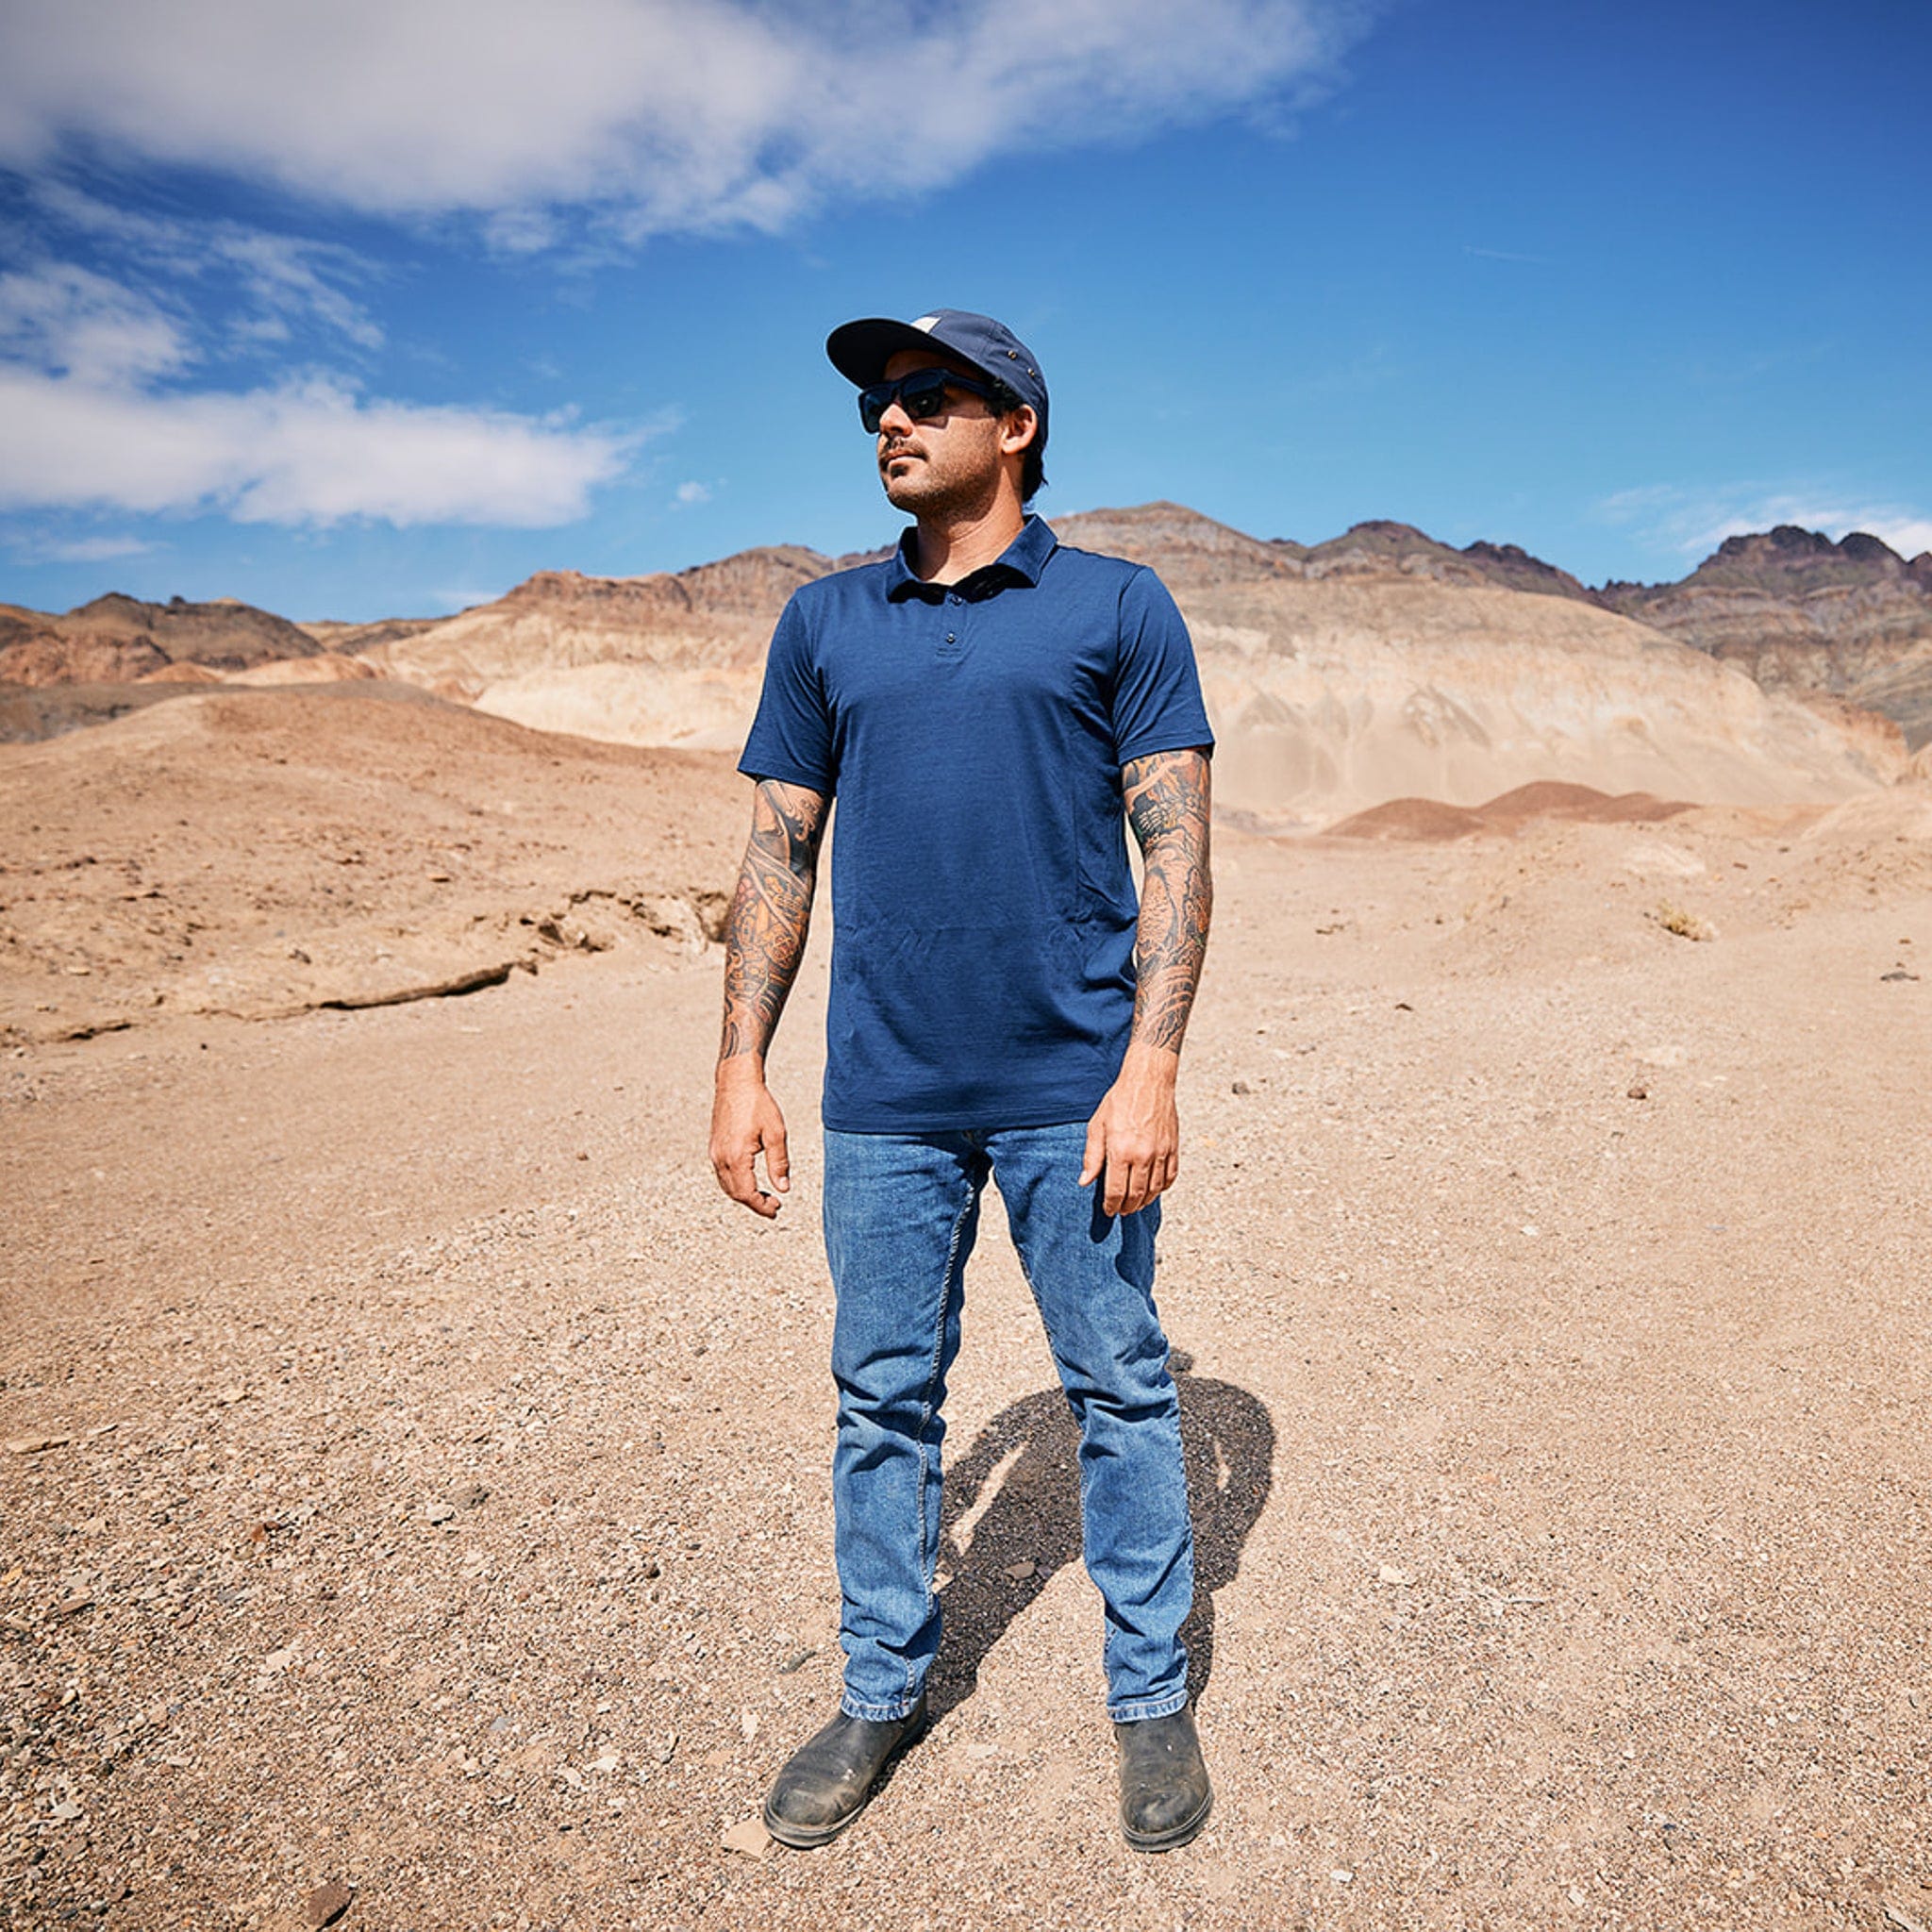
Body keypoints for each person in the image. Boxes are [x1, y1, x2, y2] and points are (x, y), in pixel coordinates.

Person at [708, 308, 1216, 1853]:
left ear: (1019, 427)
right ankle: (881, 1688)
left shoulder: (1118, 607)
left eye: (929, 397)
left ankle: (1149, 1698)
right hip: (884, 1098)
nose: (889, 420)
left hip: (1074, 1084)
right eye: (876, 401)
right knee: (881, 1403)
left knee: (1121, 1390)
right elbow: (778, 846)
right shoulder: (825, 621)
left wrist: (1154, 1068)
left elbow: (1178, 849)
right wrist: (739, 1065)